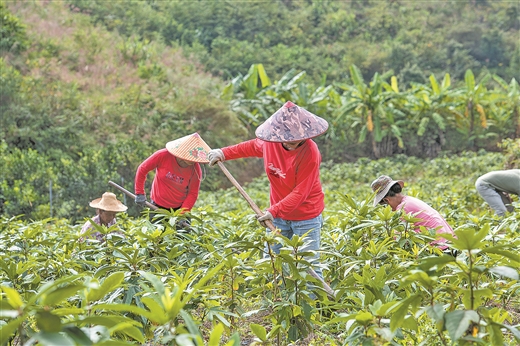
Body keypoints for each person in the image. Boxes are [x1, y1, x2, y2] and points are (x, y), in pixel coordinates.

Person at [208, 101, 329, 280]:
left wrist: (272, 211)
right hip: (278, 217)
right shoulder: (270, 142)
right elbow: (249, 147)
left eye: (296, 136)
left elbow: (300, 193)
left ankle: (316, 306)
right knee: (271, 262)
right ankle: (275, 305)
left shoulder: (310, 153)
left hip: (306, 216)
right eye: (287, 136)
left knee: (309, 266)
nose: (291, 140)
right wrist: (223, 153)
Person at [134, 133, 211, 227]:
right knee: (157, 238)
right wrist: (139, 193)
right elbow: (142, 169)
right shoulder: (163, 155)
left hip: (179, 208)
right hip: (157, 206)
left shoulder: (195, 169)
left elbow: (193, 193)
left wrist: (182, 214)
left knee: (183, 238)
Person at [371, 175, 454, 249]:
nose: (389, 209)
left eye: (385, 205)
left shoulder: (403, 208)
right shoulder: (409, 200)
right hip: (450, 242)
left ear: (387, 200)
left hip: (440, 246)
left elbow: (398, 239)